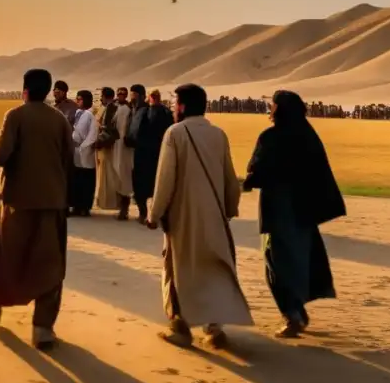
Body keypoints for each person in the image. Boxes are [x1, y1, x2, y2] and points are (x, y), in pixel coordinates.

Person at [146, 83, 252, 348]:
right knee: (213, 268)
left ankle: (180, 327)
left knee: (177, 270)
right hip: (214, 215)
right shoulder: (218, 134)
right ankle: (214, 329)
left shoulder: (174, 133)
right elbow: (230, 178)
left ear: (182, 106)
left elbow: (165, 180)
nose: (172, 108)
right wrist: (228, 208)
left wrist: (155, 213)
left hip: (182, 218)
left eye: (174, 103)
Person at [0, 69, 74, 350]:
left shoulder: (15, 116)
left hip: (17, 201)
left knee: (5, 253)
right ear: (47, 90)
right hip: (52, 200)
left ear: (25, 89)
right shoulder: (59, 119)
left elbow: (1, 156)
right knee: (50, 263)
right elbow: (69, 158)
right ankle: (43, 327)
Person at [244, 90, 346, 338]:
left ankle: (293, 316)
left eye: (272, 106)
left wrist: (246, 182)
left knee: (276, 264)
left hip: (279, 210)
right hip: (304, 211)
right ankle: (297, 312)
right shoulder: (308, 135)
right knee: (302, 261)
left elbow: (257, 172)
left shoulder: (270, 137)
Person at [130, 84, 172, 224]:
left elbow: (134, 132)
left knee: (141, 186)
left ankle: (144, 214)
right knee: (159, 185)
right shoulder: (167, 112)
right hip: (161, 154)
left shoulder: (143, 111)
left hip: (143, 155)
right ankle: (158, 214)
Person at [69, 90, 98, 217]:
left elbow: (93, 135)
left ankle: (85, 208)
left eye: (80, 99)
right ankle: (76, 206)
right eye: (77, 99)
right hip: (76, 151)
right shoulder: (76, 114)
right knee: (77, 181)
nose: (77, 101)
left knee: (87, 182)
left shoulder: (91, 115)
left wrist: (83, 147)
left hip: (86, 152)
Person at [93, 87, 121, 211]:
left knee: (106, 173)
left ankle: (108, 202)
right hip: (107, 145)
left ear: (105, 96)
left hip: (105, 145)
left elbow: (107, 128)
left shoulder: (110, 108)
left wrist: (99, 141)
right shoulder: (112, 107)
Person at [112, 87, 134, 219]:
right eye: (119, 94)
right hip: (116, 146)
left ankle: (124, 209)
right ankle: (120, 207)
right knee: (117, 175)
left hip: (126, 147)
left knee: (125, 176)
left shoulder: (128, 110)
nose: (120, 96)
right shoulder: (116, 108)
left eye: (123, 94)